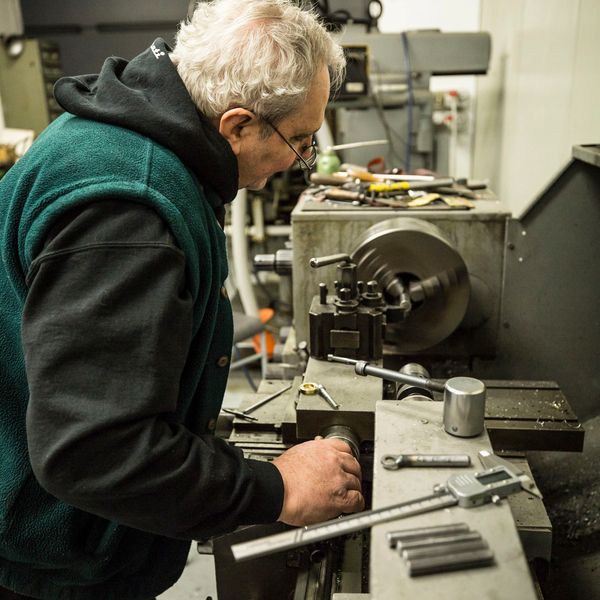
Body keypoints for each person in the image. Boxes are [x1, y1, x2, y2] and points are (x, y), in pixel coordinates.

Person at [0, 1, 364, 598]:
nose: (301, 161)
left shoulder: (130, 129)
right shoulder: (127, 212)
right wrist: (275, 488)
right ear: (238, 125)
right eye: (299, 140)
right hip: (50, 561)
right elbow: (92, 451)